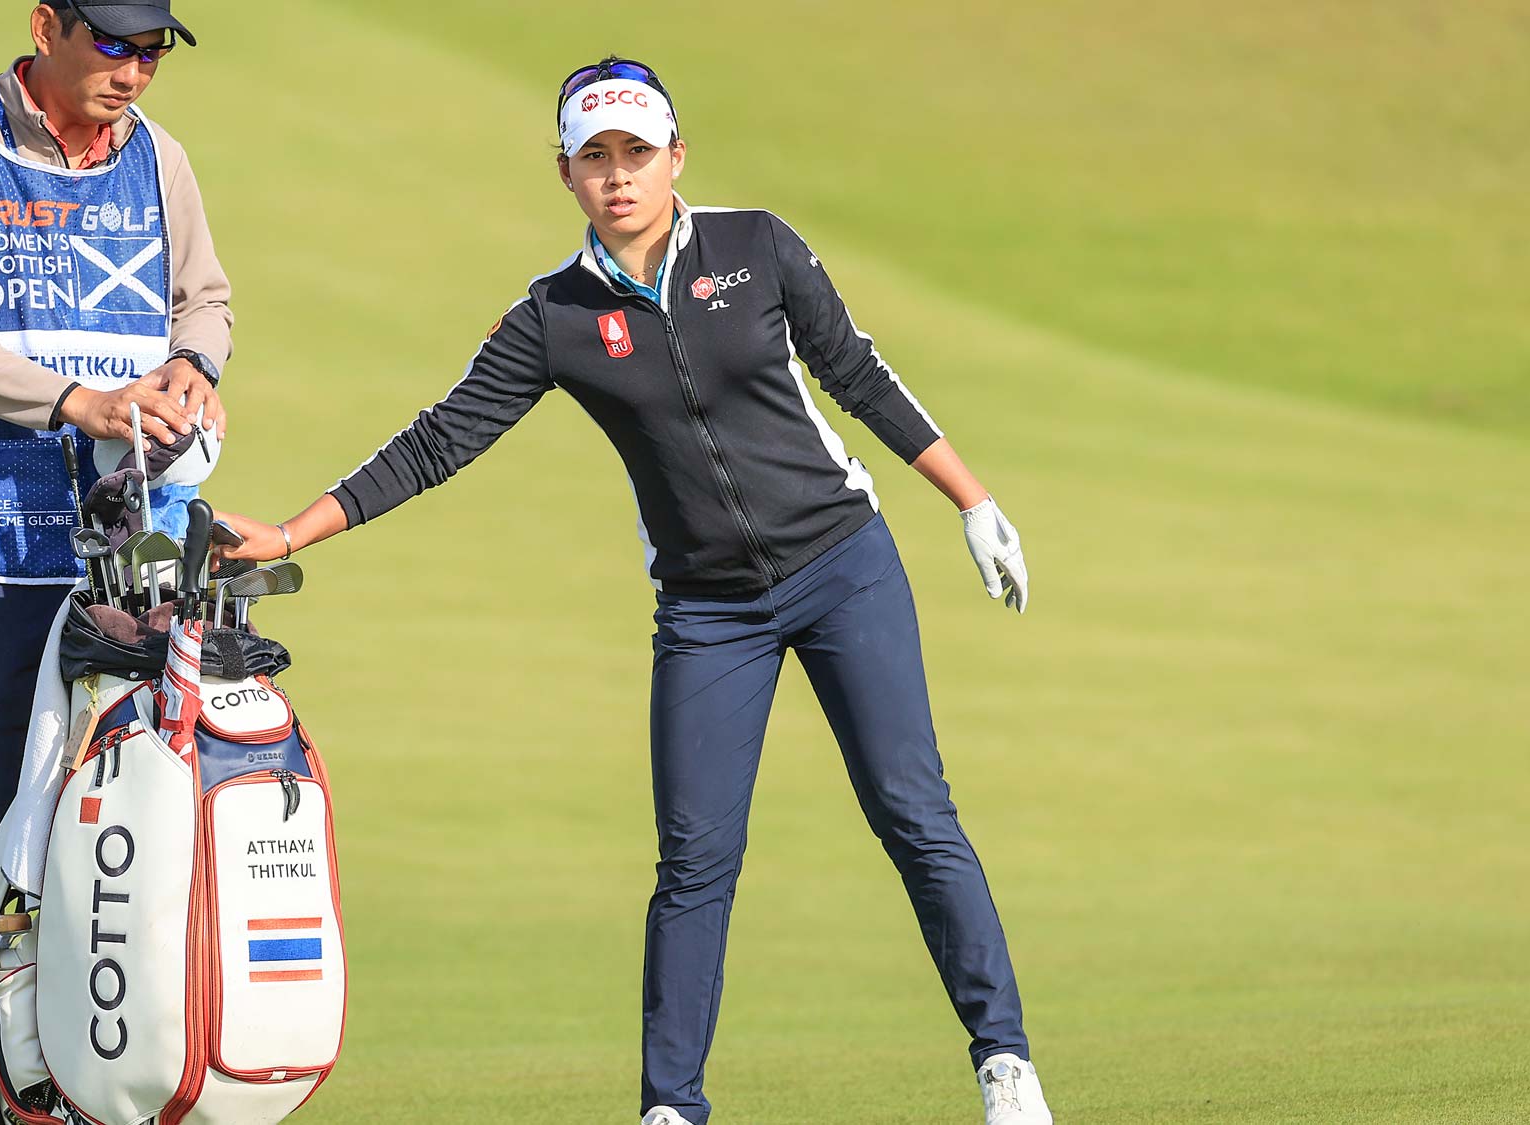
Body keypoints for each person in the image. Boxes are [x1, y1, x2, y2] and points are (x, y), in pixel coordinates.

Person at [208, 57, 1054, 1125]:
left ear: (675, 159)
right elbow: (438, 442)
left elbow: (856, 371)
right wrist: (291, 530)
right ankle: (669, 1108)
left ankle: (1004, 1063)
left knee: (912, 814)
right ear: (564, 171)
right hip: (709, 613)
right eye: (594, 158)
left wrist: (970, 500)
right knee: (695, 860)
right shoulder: (555, 315)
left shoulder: (755, 247)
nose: (618, 177)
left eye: (636, 155)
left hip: (842, 566)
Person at [0, 3, 232, 1122]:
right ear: (45, 25)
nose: (134, 69)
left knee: (134, 814)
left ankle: (101, 1081)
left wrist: (188, 369)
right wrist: (76, 398)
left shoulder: (159, 157)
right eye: (112, 44)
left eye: (152, 49)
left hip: (137, 531)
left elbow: (201, 299)